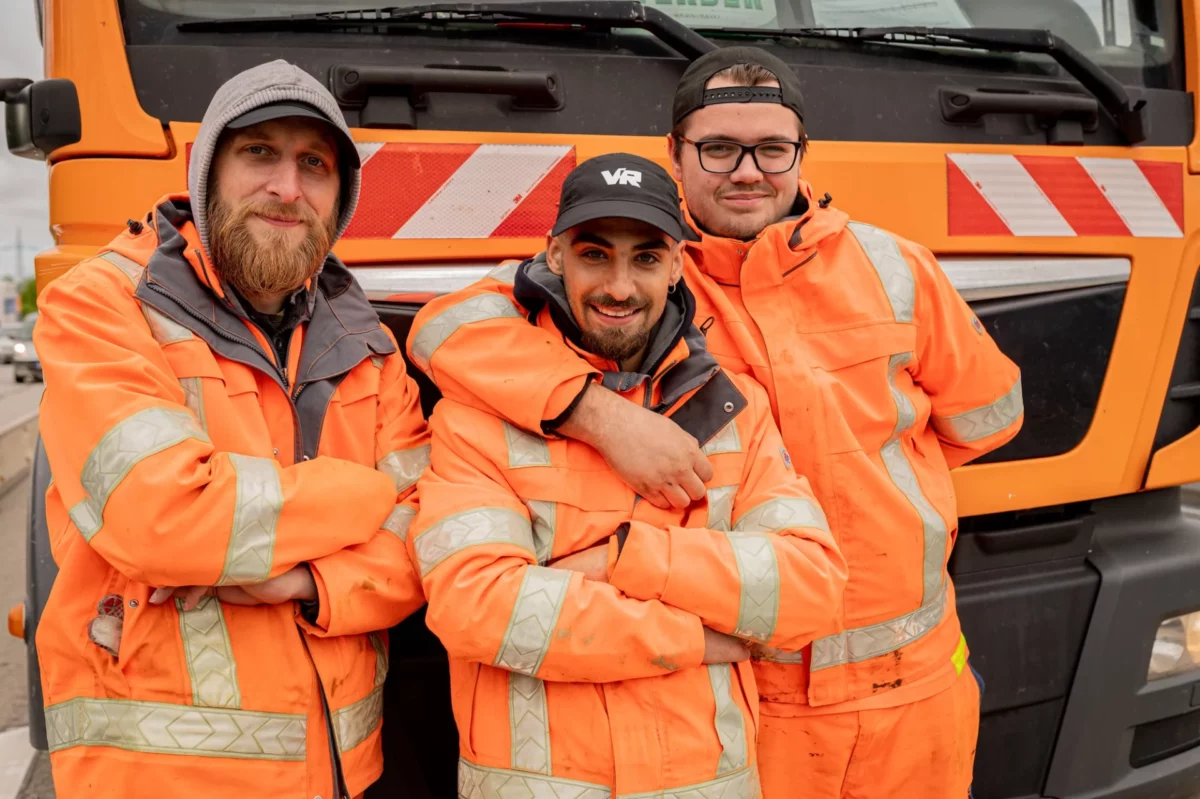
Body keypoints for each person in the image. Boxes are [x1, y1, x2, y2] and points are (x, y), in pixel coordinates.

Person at [406, 47, 1023, 798]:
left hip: (917, 685)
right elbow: (446, 329)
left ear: (801, 153)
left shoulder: (896, 267)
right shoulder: (646, 275)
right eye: (719, 148)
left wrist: (893, 493)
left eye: (770, 148)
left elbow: (987, 418)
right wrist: (596, 413)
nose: (746, 171)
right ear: (675, 154)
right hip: (746, 686)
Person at [33, 60, 429, 799]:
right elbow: (161, 517)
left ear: (339, 199)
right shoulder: (102, 306)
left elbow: (431, 536)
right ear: (207, 170)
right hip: (165, 775)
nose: (287, 187)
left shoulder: (369, 344)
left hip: (345, 768)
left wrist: (312, 579)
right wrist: (364, 491)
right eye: (259, 153)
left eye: (314, 164)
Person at [409, 153, 847, 797]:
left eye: (645, 257)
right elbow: (476, 608)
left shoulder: (732, 414)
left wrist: (621, 559)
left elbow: (811, 589)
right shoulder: (479, 417)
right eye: (594, 255)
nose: (619, 286)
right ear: (554, 256)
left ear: (676, 265)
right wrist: (695, 635)